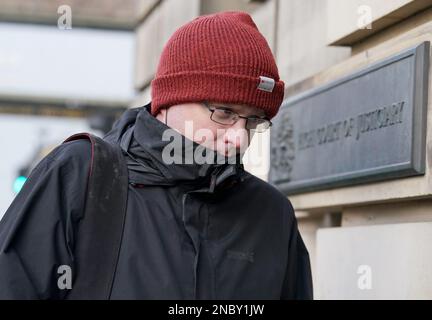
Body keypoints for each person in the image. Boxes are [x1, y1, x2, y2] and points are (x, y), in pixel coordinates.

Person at [0, 11, 313, 299]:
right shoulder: (80, 176)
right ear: (168, 102)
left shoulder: (274, 215)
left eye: (254, 120)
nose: (238, 138)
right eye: (225, 112)